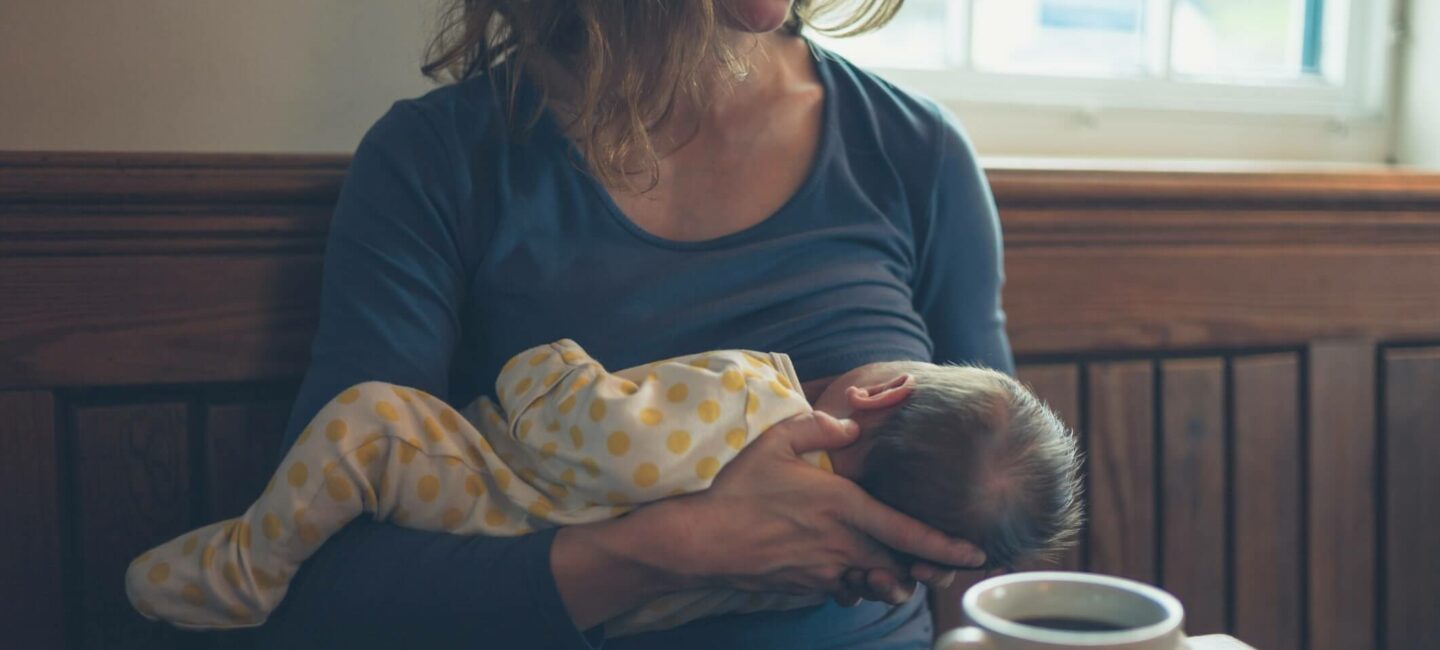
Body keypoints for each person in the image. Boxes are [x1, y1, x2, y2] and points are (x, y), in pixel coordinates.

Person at [254, 1, 1015, 647]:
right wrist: (678, 551)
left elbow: (996, 507)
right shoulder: (439, 161)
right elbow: (323, 583)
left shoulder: (915, 151)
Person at [129, 341, 1080, 635]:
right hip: (523, 570)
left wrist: (544, 366)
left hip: (483, 491)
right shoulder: (817, 568)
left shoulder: (756, 395)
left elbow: (589, 432)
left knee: (369, 423)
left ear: (878, 393)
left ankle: (243, 566)